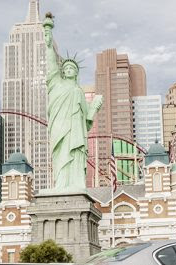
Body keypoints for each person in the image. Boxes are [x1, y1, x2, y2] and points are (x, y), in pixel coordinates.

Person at [43, 13, 103, 191]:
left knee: (75, 154)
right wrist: (48, 35)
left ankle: (75, 184)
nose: (69, 70)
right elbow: (51, 61)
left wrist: (94, 107)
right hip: (59, 127)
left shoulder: (78, 91)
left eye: (72, 68)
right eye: (66, 68)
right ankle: (61, 185)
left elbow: (87, 120)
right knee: (60, 156)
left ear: (76, 73)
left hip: (76, 130)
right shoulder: (56, 83)